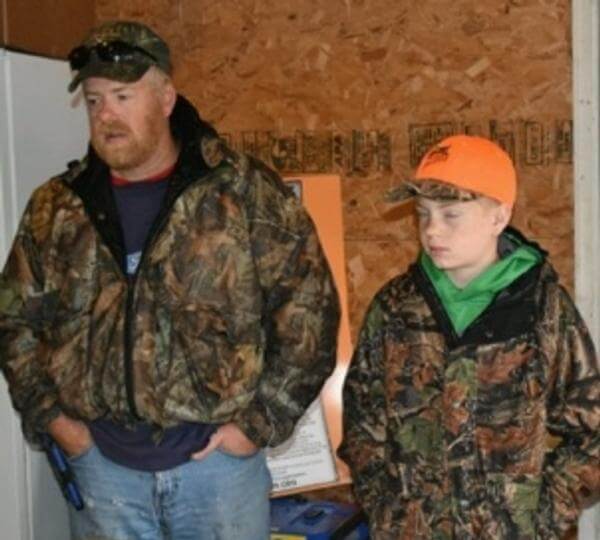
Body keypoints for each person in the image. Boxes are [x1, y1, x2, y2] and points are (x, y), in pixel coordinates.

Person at [0, 20, 340, 540]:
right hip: (104, 476)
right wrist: (57, 423)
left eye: (122, 96)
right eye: (93, 101)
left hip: (218, 476)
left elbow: (309, 310)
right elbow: (14, 321)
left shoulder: (240, 191)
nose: (106, 115)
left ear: (165, 98)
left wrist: (256, 426)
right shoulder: (57, 207)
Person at [338, 134, 600, 539]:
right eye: (423, 214)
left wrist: (539, 516)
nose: (432, 230)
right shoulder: (395, 308)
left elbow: (592, 430)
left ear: (499, 217)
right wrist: (388, 508)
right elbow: (362, 419)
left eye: (451, 214)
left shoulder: (542, 309)